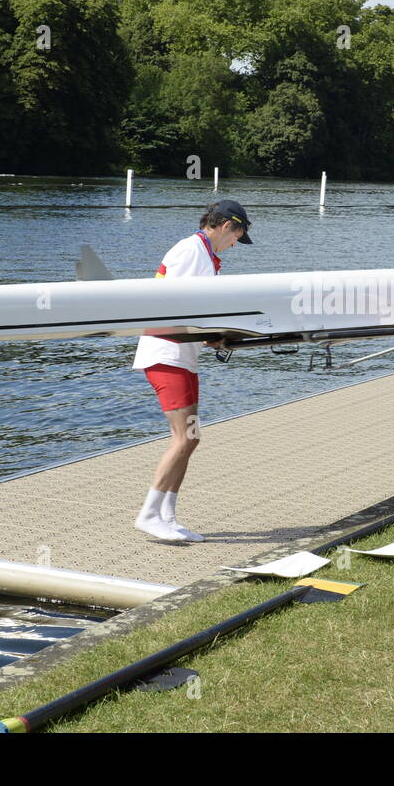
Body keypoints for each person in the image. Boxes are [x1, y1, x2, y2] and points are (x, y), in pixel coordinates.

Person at [132, 200, 253, 541]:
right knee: (183, 437)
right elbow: (171, 307)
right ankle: (148, 515)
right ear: (229, 226)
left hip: (181, 355)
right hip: (165, 353)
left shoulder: (205, 255)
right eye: (236, 238)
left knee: (193, 437)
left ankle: (168, 514)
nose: (234, 246)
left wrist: (212, 336)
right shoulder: (190, 251)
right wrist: (212, 335)